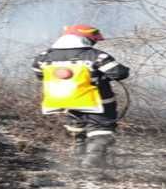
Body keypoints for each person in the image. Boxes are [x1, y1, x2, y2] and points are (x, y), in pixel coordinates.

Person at [32, 24, 130, 167]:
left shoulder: (43, 56)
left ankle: (78, 158)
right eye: (93, 40)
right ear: (85, 39)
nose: (94, 43)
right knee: (101, 129)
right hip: (96, 102)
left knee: (77, 127)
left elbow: (40, 75)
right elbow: (119, 73)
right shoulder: (95, 55)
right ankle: (93, 162)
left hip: (62, 101)